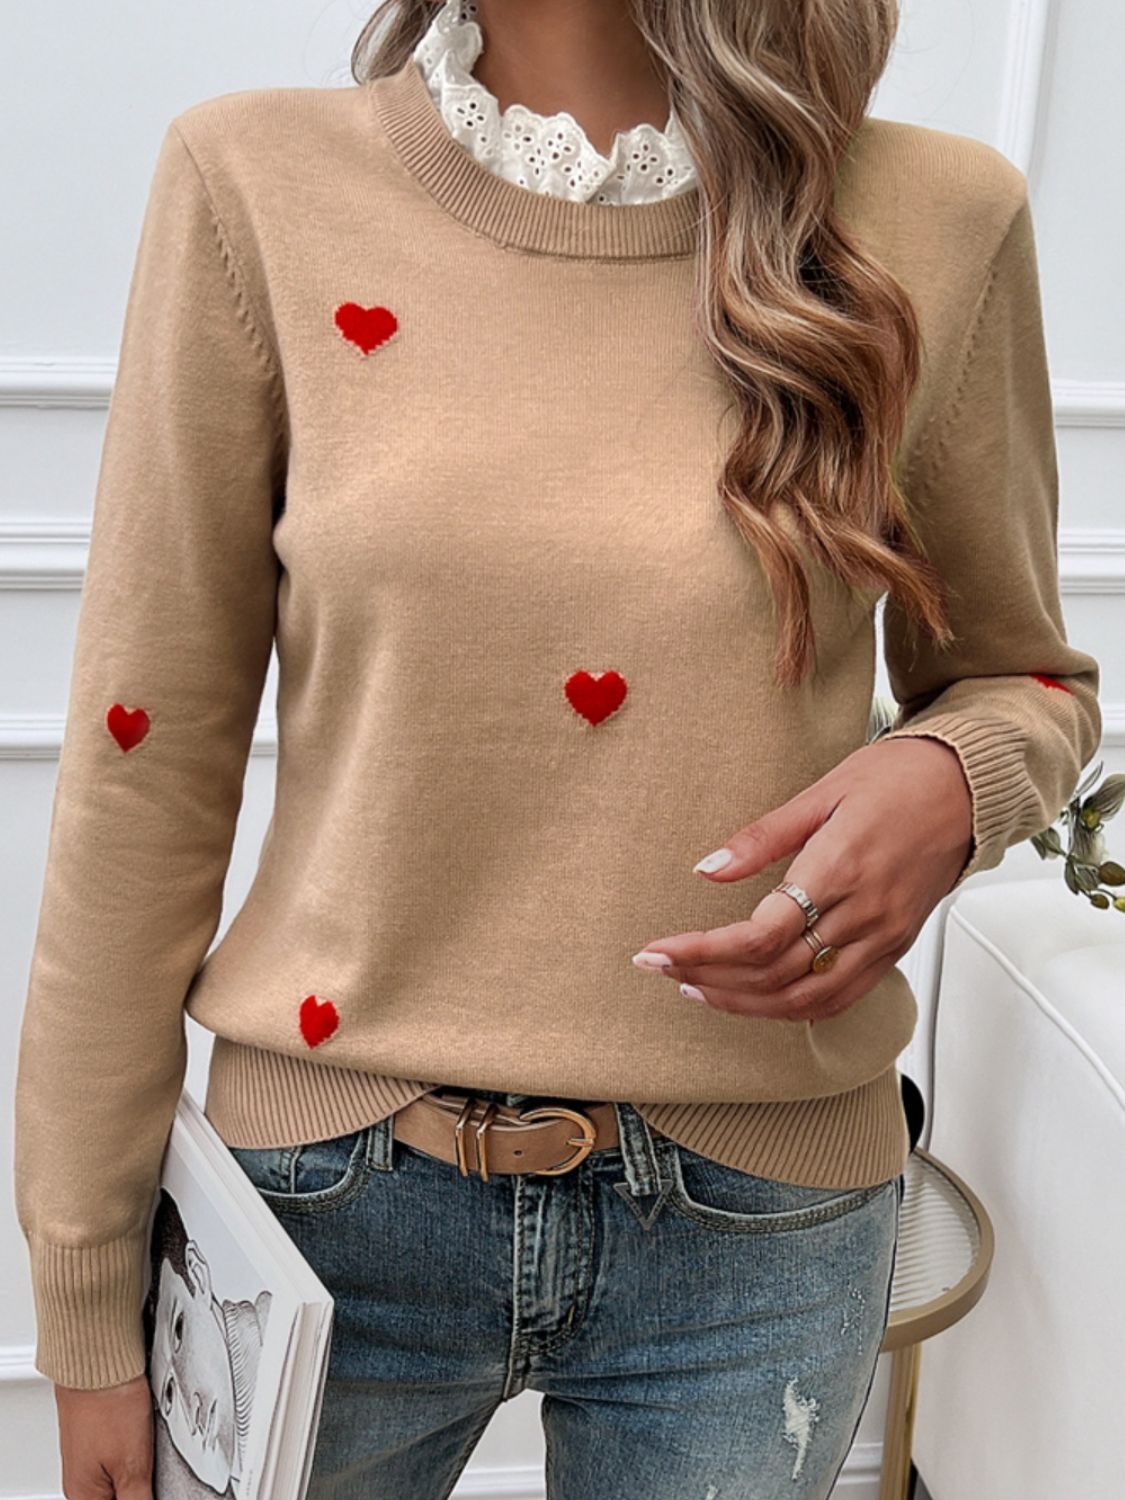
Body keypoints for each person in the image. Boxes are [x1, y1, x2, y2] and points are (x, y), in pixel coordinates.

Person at [15, 1, 1102, 1497]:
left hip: (762, 1227)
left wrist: (951, 779)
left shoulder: (936, 215)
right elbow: (144, 771)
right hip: (317, 1212)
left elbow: (1024, 679)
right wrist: (85, 1304)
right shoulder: (252, 183)